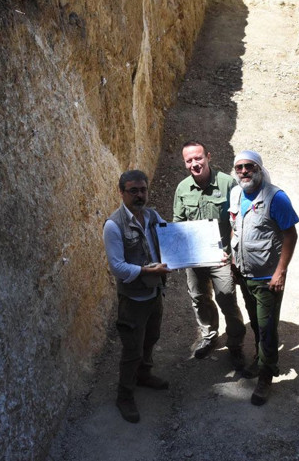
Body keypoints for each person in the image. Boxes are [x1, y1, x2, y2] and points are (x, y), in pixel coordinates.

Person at [228, 150, 299, 405]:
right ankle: (260, 360)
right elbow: (235, 227)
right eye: (239, 168)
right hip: (244, 274)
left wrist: (281, 272)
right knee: (257, 324)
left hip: (268, 277)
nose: (244, 171)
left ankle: (266, 375)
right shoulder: (236, 194)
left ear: (259, 168)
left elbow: (290, 235)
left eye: (249, 166)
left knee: (267, 328)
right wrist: (233, 259)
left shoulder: (276, 197)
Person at [103, 169, 172, 423]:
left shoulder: (152, 216)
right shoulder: (113, 225)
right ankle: (124, 395)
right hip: (133, 300)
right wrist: (146, 270)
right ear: (121, 193)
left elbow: (170, 237)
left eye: (143, 190)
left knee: (151, 337)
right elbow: (117, 267)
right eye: (133, 191)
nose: (139, 195)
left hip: (154, 292)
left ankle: (144, 375)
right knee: (132, 350)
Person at [172, 141, 247, 370]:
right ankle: (210, 335)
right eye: (189, 160)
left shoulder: (227, 183)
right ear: (185, 163)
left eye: (198, 158)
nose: (195, 163)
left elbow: (238, 220)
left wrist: (232, 254)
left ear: (208, 157)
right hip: (195, 257)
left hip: (221, 255)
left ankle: (235, 344)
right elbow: (178, 223)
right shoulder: (182, 189)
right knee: (199, 298)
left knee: (226, 298)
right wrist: (178, 254)